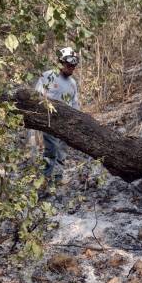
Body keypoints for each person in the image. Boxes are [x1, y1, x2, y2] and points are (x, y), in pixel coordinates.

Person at [34, 47, 81, 182]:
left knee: (62, 151)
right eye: (69, 64)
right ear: (61, 62)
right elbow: (36, 96)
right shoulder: (48, 76)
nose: (72, 67)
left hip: (67, 123)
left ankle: (58, 179)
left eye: (74, 65)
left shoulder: (73, 83)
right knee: (52, 149)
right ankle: (46, 178)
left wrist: (77, 122)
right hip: (49, 120)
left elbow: (75, 103)